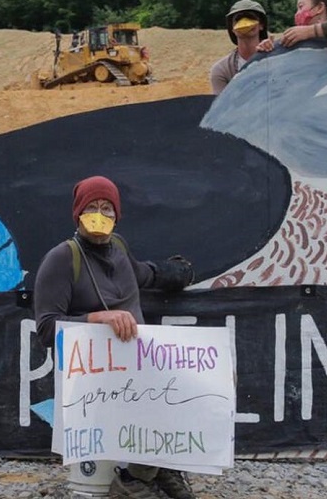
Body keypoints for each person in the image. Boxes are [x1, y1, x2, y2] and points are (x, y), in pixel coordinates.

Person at [34, 175, 196, 499]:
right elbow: (47, 329)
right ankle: (132, 482)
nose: (99, 214)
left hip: (139, 362)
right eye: (91, 207)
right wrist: (99, 318)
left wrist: (176, 273)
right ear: (77, 213)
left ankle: (154, 469)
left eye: (106, 208)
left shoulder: (119, 247)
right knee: (156, 397)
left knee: (200, 383)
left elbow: (143, 274)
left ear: (117, 214)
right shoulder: (62, 258)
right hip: (96, 379)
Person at [209, 0, 268, 94]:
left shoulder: (276, 59)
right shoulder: (222, 70)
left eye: (250, 17)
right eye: (238, 19)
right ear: (232, 28)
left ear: (261, 25)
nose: (244, 22)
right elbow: (221, 106)